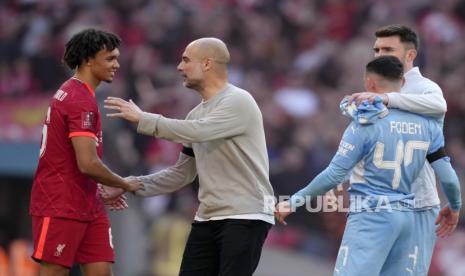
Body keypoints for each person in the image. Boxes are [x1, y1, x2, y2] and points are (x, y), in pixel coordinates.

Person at [275, 56, 461, 276]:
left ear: (370, 84)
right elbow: (447, 176)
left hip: (373, 215)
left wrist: (294, 202)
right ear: (402, 85)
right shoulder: (428, 126)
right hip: (410, 218)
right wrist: (455, 206)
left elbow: (334, 175)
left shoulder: (365, 123)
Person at [103, 37, 274, 276]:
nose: (179, 67)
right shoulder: (195, 115)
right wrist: (130, 183)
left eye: (185, 60)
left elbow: (199, 131)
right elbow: (182, 173)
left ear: (206, 63)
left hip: (244, 215)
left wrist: (144, 119)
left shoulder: (238, 101)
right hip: (208, 217)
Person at [29, 29, 144, 276]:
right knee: (55, 271)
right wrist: (124, 183)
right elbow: (88, 163)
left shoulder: (79, 94)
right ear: (89, 60)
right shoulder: (79, 100)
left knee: (101, 270)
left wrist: (100, 185)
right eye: (110, 58)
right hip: (60, 203)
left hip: (88, 201)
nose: (117, 64)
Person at [347, 24, 455, 274]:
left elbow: (439, 105)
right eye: (376, 49)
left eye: (388, 48)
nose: (379, 54)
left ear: (410, 55)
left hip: (418, 205)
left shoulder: (427, 88)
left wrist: (386, 99)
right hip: (373, 204)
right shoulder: (376, 86)